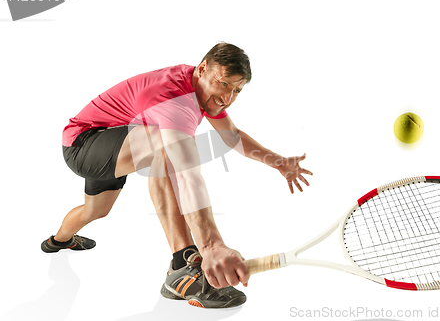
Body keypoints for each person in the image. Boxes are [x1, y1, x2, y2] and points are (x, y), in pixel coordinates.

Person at [41, 43, 313, 308]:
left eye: (237, 90)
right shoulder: (173, 98)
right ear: (203, 68)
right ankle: (182, 263)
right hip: (84, 144)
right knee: (166, 146)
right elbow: (186, 175)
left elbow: (232, 136)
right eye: (224, 83)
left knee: (96, 210)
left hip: (113, 143)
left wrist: (278, 162)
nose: (228, 97)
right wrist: (211, 246)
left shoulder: (202, 90)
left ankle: (59, 240)